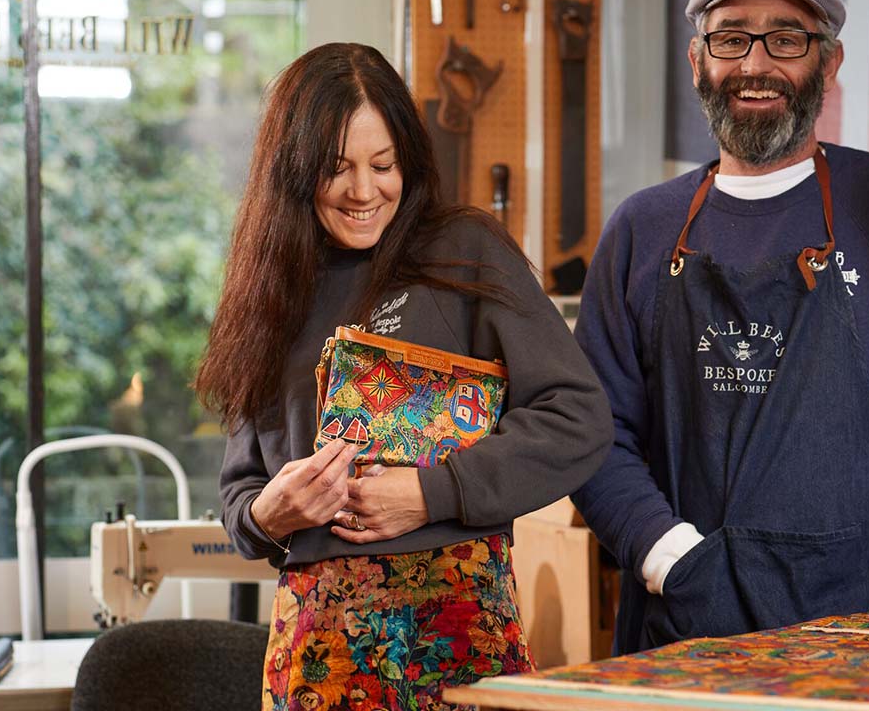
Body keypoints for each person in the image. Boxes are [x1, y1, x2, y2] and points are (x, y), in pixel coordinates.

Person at [195, 42, 612, 709]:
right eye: (338, 170)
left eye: (382, 164)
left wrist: (433, 492)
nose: (365, 191)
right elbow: (242, 489)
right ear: (295, 172)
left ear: (408, 160)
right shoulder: (270, 289)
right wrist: (267, 515)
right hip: (317, 652)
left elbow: (579, 422)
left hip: (457, 632)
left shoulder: (466, 252)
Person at [570, 0, 869, 655]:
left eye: (786, 39)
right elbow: (592, 431)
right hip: (692, 623)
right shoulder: (642, 228)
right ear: (697, 62)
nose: (755, 63)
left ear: (828, 65)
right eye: (731, 38)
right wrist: (669, 559)